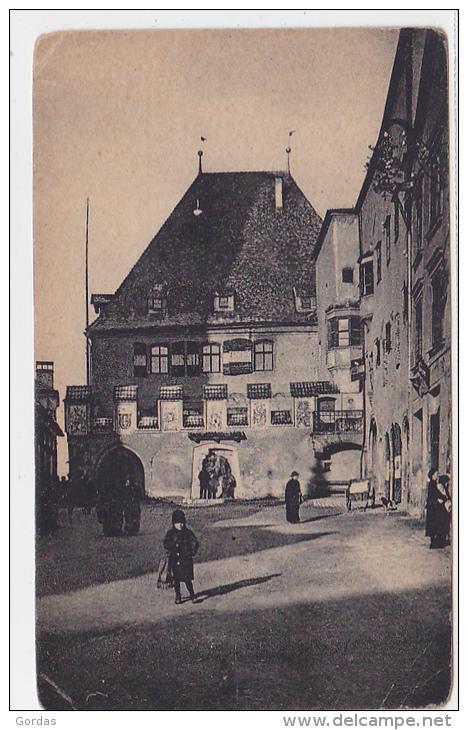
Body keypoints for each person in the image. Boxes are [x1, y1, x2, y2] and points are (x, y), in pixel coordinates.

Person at [163, 509, 200, 604]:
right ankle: (178, 596)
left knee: (187, 579)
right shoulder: (170, 533)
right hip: (174, 559)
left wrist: (192, 552)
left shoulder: (187, 533)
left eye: (181, 522)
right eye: (177, 523)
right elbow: (166, 543)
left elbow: (195, 543)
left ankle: (192, 595)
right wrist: (171, 546)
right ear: (173, 523)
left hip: (185, 559)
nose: (180, 525)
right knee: (176, 580)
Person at [425, 468, 450, 549]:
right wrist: (439, 499)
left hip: (433, 507)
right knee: (433, 525)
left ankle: (435, 542)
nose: (437, 475)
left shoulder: (434, 483)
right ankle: (434, 543)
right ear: (432, 476)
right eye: (436, 474)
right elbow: (434, 495)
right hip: (433, 508)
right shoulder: (432, 484)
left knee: (434, 525)